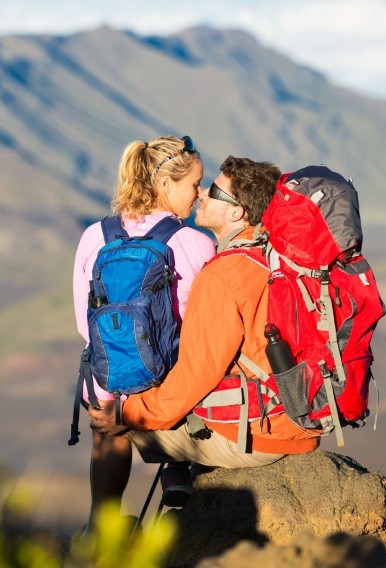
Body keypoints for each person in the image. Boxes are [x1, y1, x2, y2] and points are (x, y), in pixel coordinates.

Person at [87, 156, 321, 504]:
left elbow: (196, 375)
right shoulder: (271, 258)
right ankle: (182, 482)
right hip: (297, 418)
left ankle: (106, 528)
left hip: (263, 436)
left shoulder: (223, 276)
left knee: (120, 422)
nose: (201, 197)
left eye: (212, 192)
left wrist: (124, 413)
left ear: (236, 213)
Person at [72, 135, 215, 529]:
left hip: (108, 385)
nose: (200, 194)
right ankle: (177, 472)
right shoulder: (197, 244)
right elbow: (207, 329)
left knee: (106, 424)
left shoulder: (94, 237)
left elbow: (85, 322)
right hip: (168, 390)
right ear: (166, 185)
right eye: (195, 184)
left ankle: (100, 528)